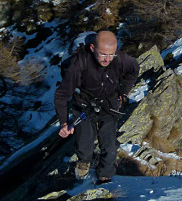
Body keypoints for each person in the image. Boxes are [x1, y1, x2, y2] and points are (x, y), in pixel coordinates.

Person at [55, 30, 139, 183]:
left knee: (110, 145)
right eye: (103, 54)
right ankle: (83, 162)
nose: (107, 59)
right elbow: (61, 95)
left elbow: (134, 69)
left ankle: (105, 177)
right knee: (85, 143)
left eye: (111, 54)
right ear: (92, 48)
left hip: (109, 105)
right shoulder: (79, 64)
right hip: (84, 106)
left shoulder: (120, 59)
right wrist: (63, 123)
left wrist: (123, 91)